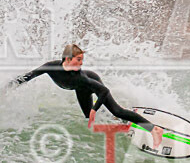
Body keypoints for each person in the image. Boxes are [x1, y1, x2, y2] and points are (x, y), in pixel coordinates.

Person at [10, 44, 164, 148]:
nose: (81, 63)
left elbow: (103, 91)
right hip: (80, 90)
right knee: (87, 117)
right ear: (67, 59)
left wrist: (95, 109)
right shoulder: (50, 67)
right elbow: (28, 76)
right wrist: (9, 86)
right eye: (78, 60)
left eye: (82, 60)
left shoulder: (81, 77)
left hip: (91, 83)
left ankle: (153, 129)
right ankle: (121, 121)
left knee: (116, 110)